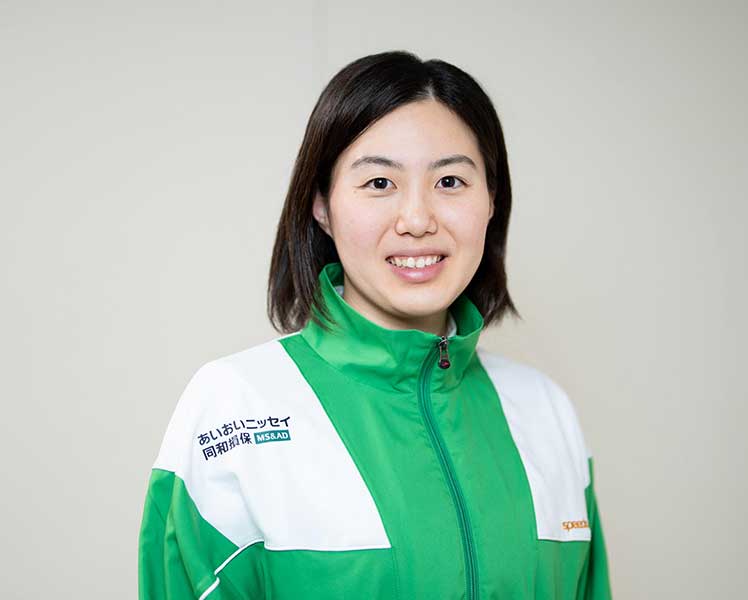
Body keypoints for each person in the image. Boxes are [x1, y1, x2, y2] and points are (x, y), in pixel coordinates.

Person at [137, 50, 612, 599]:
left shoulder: (545, 411)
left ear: (491, 200)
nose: (417, 220)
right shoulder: (233, 406)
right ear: (321, 205)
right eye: (380, 183)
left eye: (450, 181)